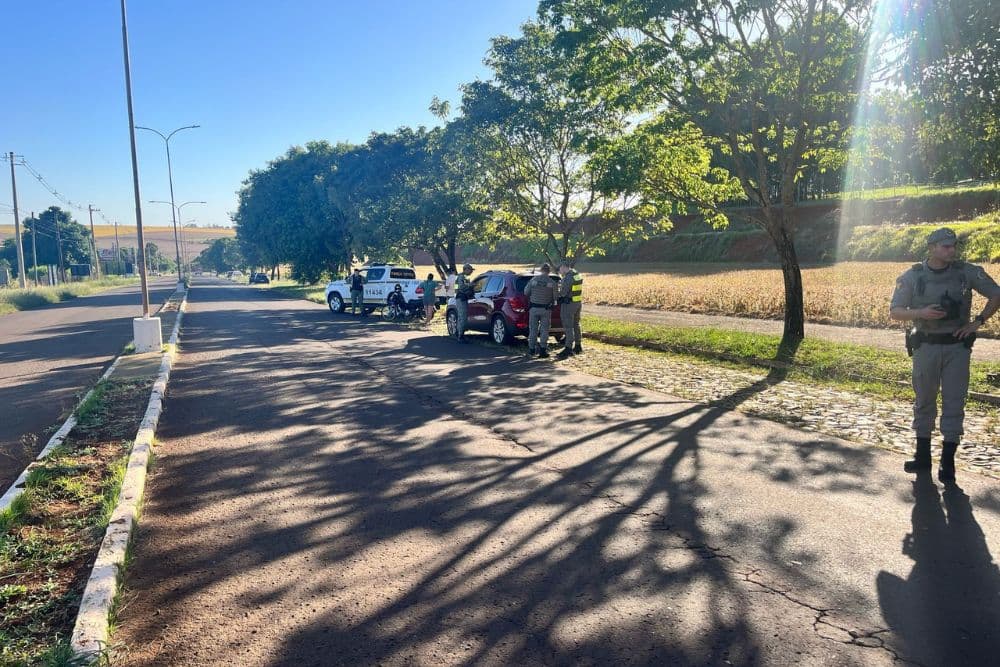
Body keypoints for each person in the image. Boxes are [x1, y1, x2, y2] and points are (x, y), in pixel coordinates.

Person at [889, 227, 1000, 482]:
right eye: (946, 246)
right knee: (924, 399)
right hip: (926, 346)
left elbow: (996, 294)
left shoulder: (966, 273)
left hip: (956, 348)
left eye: (953, 246)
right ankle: (922, 457)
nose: (952, 251)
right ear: (932, 248)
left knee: (954, 401)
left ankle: (948, 462)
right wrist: (921, 313)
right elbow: (895, 311)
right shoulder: (913, 276)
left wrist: (978, 322)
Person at [523, 263, 557, 358]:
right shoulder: (552, 283)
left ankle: (531, 350)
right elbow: (555, 297)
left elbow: (526, 292)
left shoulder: (533, 280)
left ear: (541, 270)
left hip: (534, 309)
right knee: (544, 331)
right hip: (546, 310)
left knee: (533, 330)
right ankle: (542, 351)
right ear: (549, 271)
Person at [555, 262, 584, 359]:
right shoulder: (577, 274)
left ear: (563, 267)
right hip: (577, 303)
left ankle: (568, 348)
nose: (559, 271)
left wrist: (556, 292)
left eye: (560, 269)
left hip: (568, 304)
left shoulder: (568, 278)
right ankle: (578, 346)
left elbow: (563, 293)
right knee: (576, 324)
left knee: (568, 326)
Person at [453, 263, 475, 342]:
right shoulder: (461, 277)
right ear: (466, 269)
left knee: (461, 317)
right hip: (461, 298)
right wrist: (470, 285)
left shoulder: (462, 277)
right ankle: (460, 336)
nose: (471, 272)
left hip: (461, 298)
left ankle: (458, 332)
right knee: (463, 317)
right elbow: (461, 287)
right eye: (470, 270)